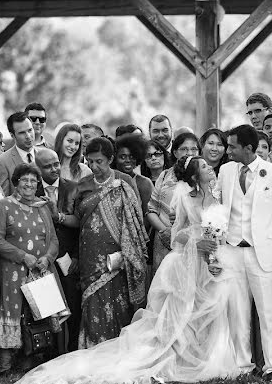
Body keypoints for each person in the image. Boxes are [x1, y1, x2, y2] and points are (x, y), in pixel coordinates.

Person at [14, 157, 243, 384]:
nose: (210, 168)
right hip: (188, 262)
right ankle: (179, 358)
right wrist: (197, 244)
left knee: (210, 311)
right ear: (194, 176)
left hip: (211, 262)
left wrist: (214, 256)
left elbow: (218, 234)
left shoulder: (218, 197)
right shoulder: (185, 199)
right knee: (180, 315)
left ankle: (206, 357)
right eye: (204, 166)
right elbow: (176, 236)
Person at [213, 124, 272, 380]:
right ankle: (242, 366)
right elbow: (216, 203)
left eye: (232, 146)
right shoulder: (226, 171)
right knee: (237, 311)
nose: (227, 151)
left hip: (263, 252)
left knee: (268, 312)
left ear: (248, 148)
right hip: (232, 250)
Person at [75, 137, 147, 349]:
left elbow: (135, 219)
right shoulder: (83, 185)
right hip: (89, 254)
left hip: (118, 255)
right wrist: (57, 216)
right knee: (93, 300)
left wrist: (128, 252)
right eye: (90, 162)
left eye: (100, 162)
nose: (94, 167)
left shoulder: (124, 181)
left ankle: (119, 349)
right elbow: (78, 219)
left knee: (120, 301)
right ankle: (93, 348)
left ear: (111, 159)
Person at [0, 163, 59, 373]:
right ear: (16, 182)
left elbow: (54, 240)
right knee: (14, 311)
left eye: (33, 180)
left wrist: (47, 258)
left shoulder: (42, 207)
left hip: (40, 269)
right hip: (13, 269)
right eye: (24, 180)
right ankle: (6, 362)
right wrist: (23, 256)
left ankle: (33, 357)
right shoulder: (5, 205)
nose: (29, 184)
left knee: (38, 313)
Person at [35, 147, 80, 351]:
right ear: (37, 169)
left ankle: (72, 350)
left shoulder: (73, 188)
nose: (54, 169)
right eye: (47, 166)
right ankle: (48, 353)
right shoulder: (30, 189)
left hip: (68, 257)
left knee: (72, 303)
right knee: (47, 307)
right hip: (42, 258)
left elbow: (82, 224)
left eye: (56, 164)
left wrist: (77, 256)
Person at [147, 132, 199, 275]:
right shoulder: (164, 176)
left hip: (193, 241)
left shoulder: (205, 177)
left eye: (194, 149)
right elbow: (151, 210)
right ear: (175, 152)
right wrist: (165, 231)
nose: (189, 153)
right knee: (164, 286)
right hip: (164, 238)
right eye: (184, 149)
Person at [115, 134, 154, 217]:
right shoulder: (110, 180)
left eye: (132, 157)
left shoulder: (144, 183)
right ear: (114, 158)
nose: (128, 160)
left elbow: (148, 215)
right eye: (123, 157)